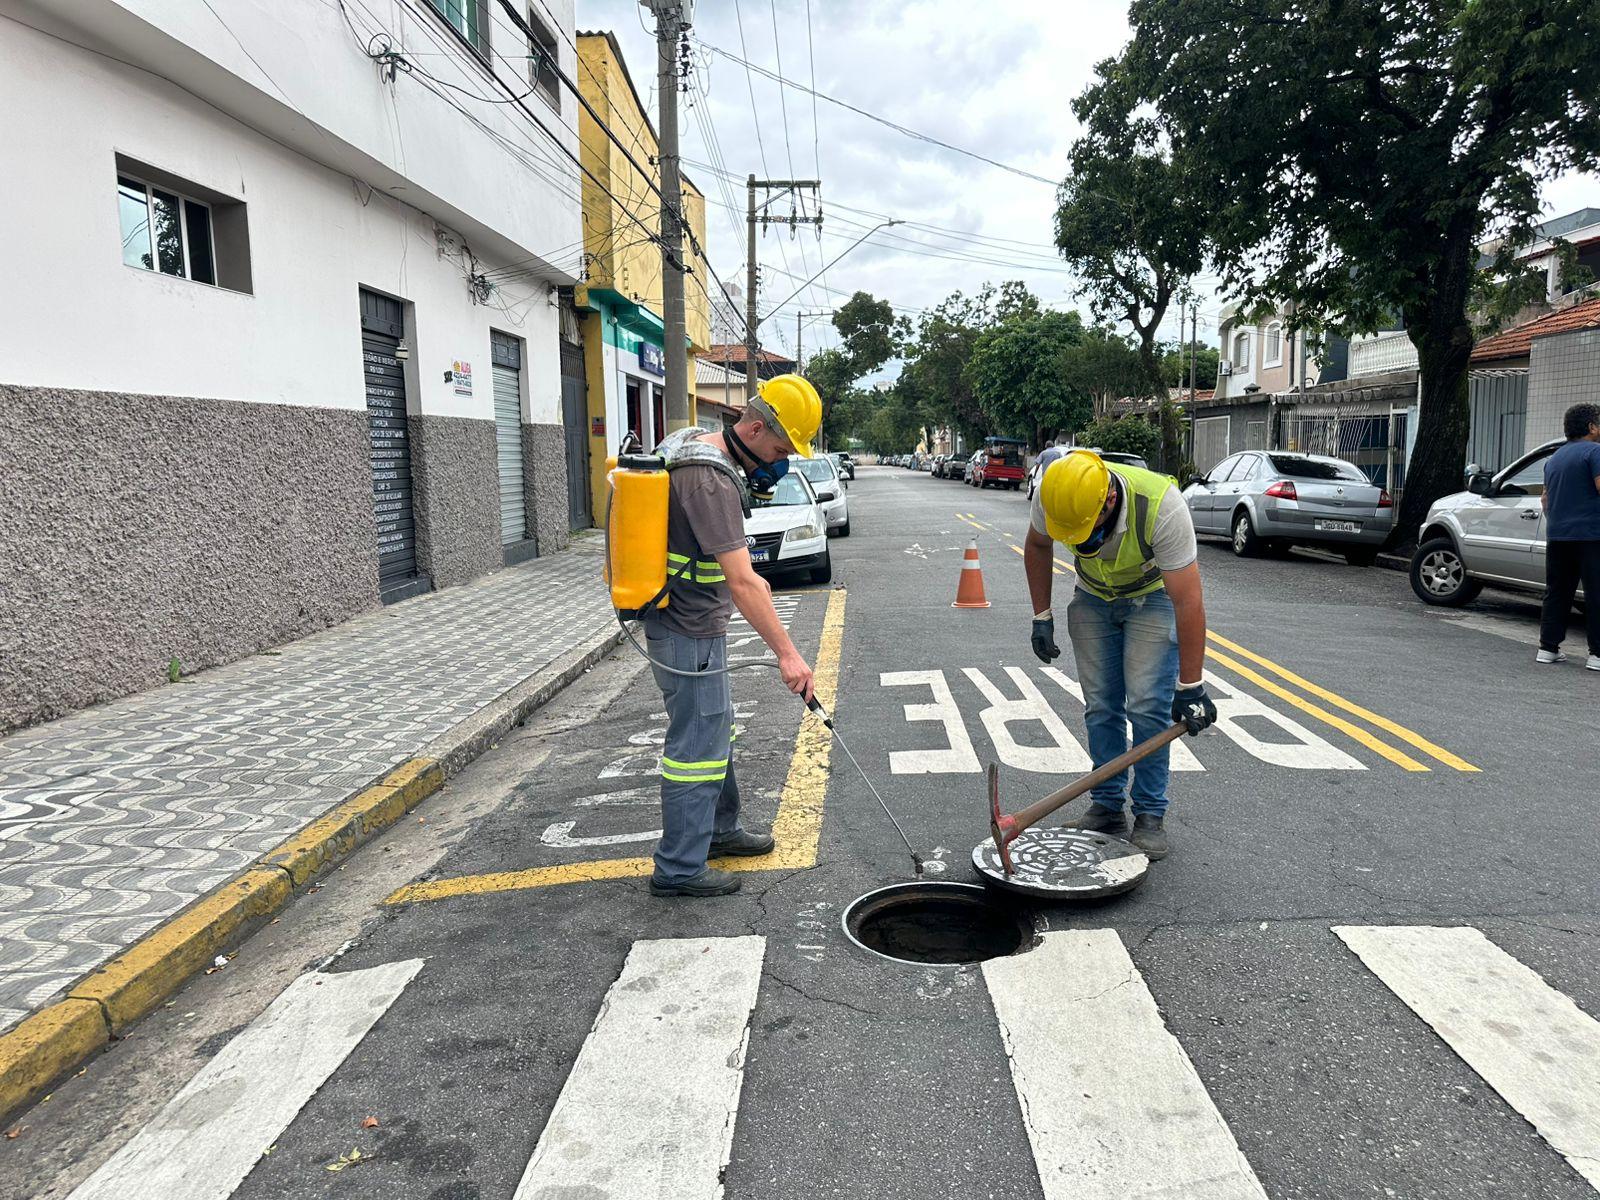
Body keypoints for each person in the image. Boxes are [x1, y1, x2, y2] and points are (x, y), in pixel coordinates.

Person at [643, 375, 822, 897]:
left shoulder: (692, 443)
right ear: (756, 426)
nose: (779, 458)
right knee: (696, 743)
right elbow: (744, 581)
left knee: (715, 730)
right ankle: (678, 868)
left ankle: (720, 831)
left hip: (691, 622)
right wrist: (789, 656)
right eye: (780, 446)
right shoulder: (711, 479)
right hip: (687, 628)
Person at [1023, 448, 1216, 859]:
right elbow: (1038, 545)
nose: (1081, 543)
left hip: (1152, 599)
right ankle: (1108, 807)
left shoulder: (1162, 507)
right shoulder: (1055, 494)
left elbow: (1188, 600)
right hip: (1092, 597)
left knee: (1148, 706)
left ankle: (1149, 815)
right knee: (1099, 705)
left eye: (1086, 533)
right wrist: (1042, 615)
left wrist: (1192, 684)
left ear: (1109, 501)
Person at [1537, 401, 1600, 671]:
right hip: (1592, 535)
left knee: (1557, 592)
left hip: (1559, 535)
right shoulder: (1595, 452)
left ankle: (1548, 648)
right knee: (1597, 594)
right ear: (1592, 426)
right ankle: (1597, 654)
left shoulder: (1555, 459)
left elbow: (1544, 500)